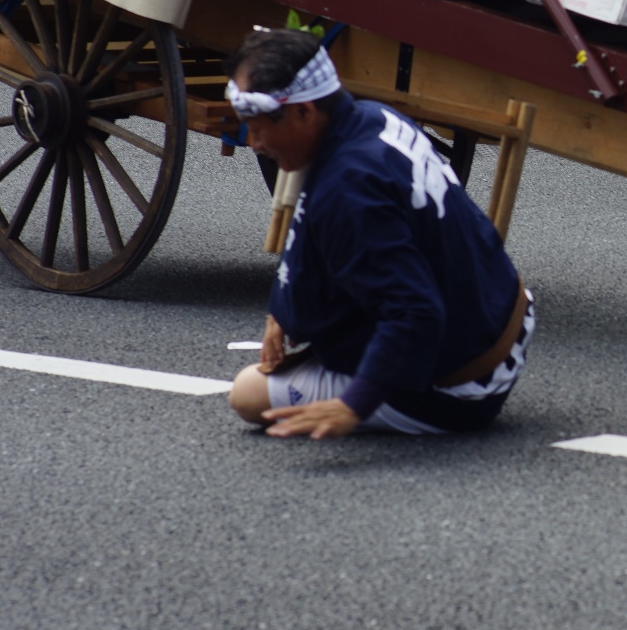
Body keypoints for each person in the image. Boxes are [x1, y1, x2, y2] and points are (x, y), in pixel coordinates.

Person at [224, 31, 534, 440]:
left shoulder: (348, 190)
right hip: (500, 320)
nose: (254, 143)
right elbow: (308, 223)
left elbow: (415, 311)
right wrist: (283, 309)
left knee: (247, 392)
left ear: (304, 113)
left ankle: (398, 395)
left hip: (461, 385)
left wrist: (354, 404)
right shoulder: (372, 118)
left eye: (258, 128)